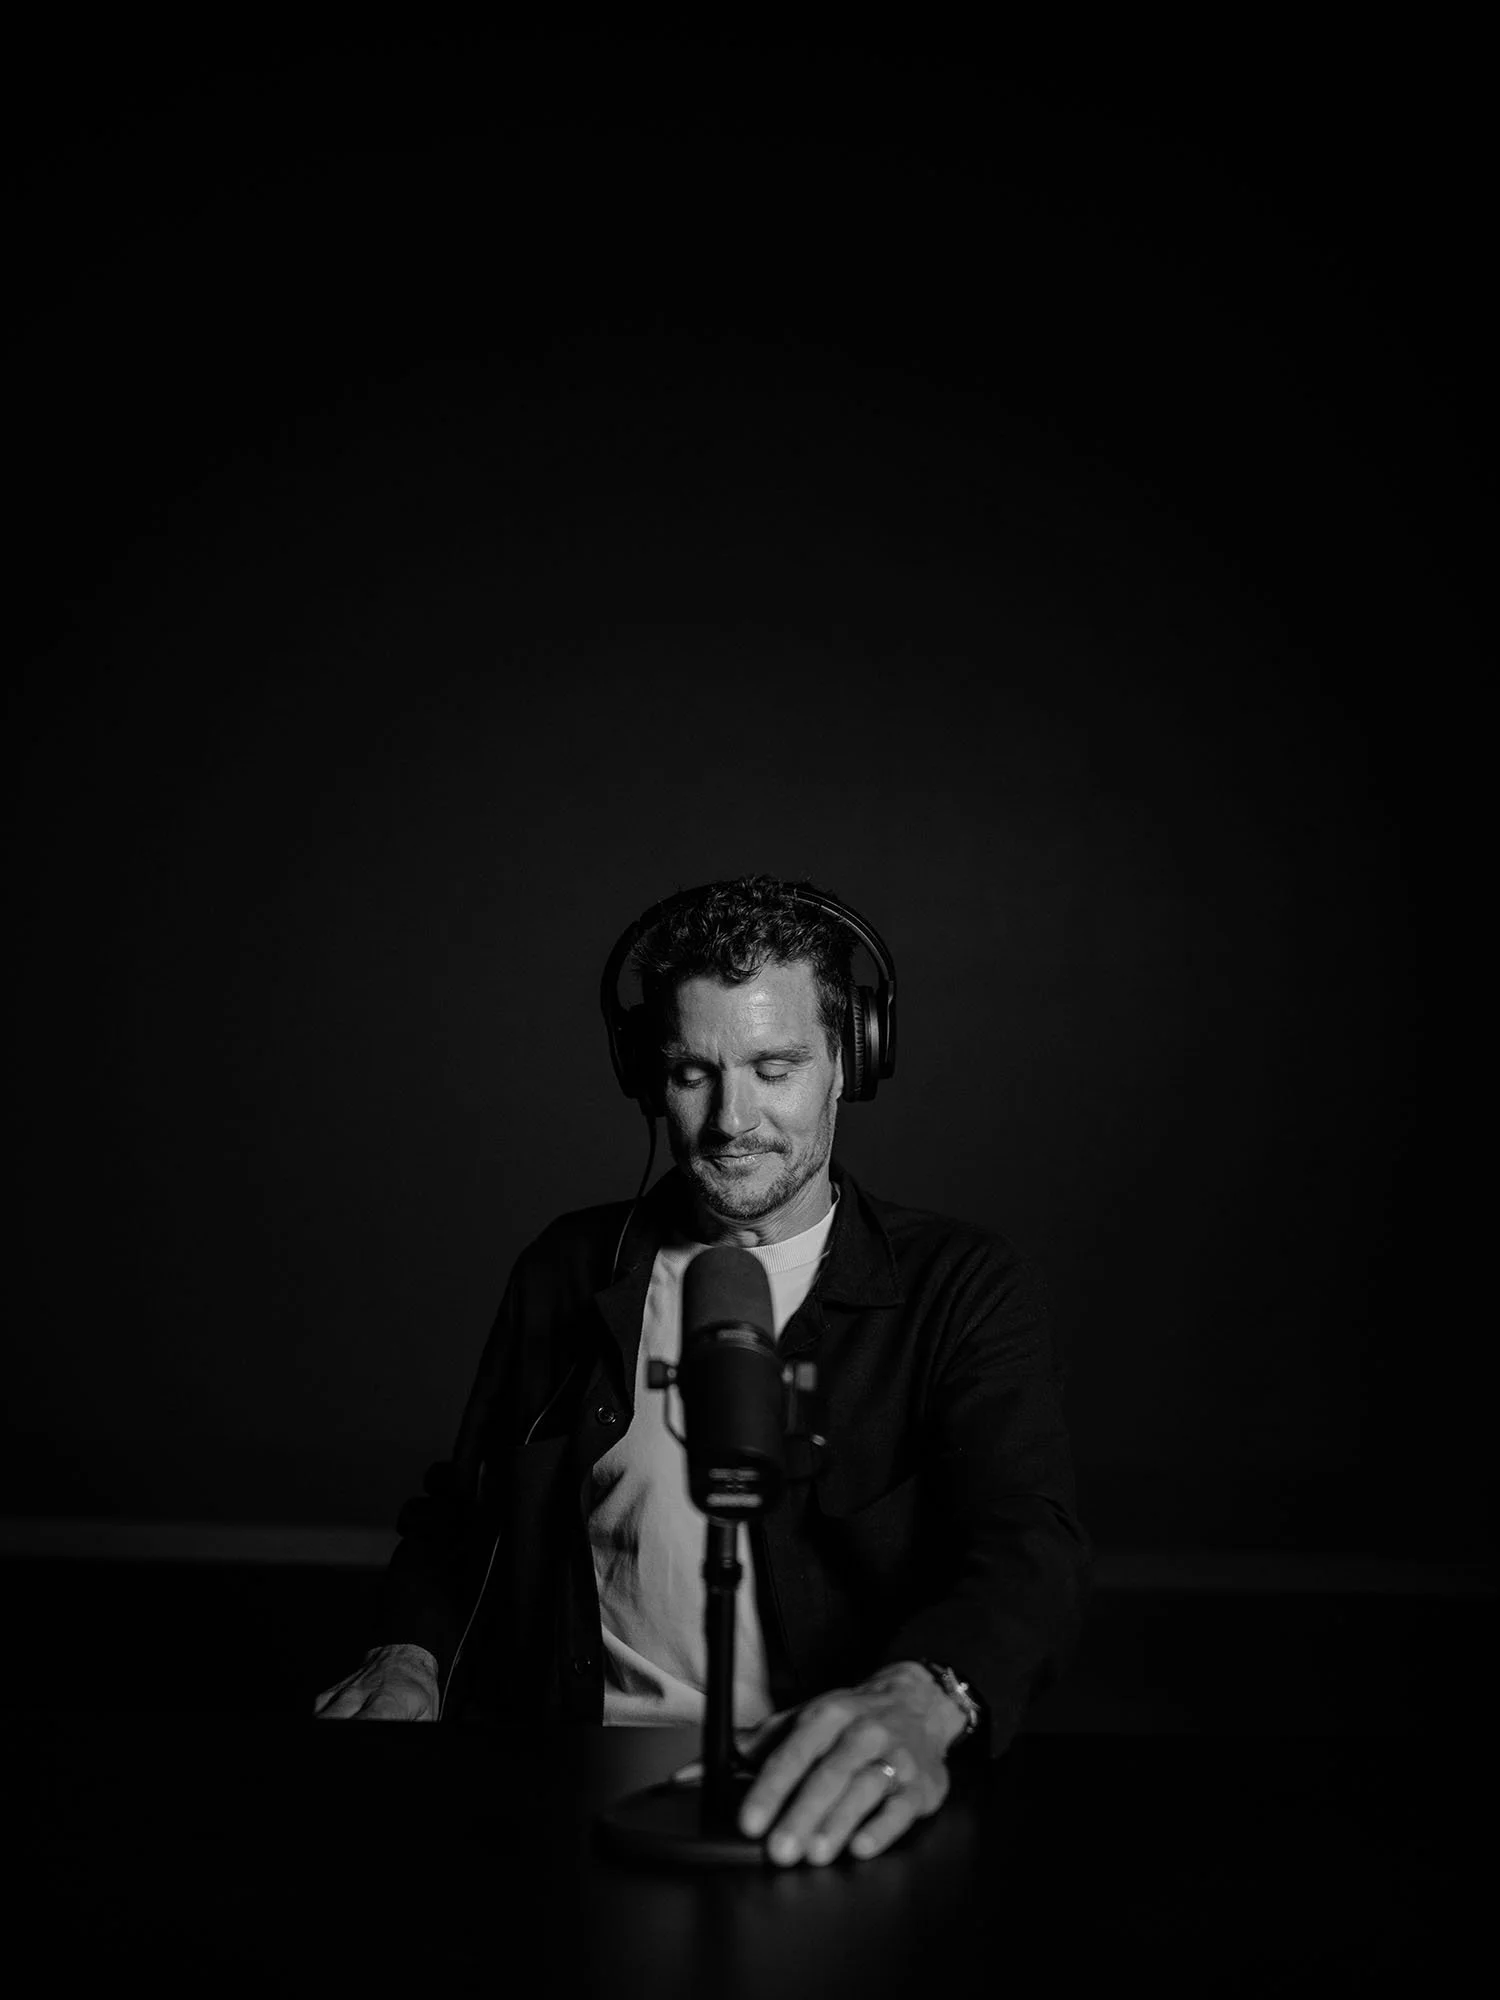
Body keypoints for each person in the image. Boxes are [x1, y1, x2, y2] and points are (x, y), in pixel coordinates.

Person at [314, 875, 1092, 1867]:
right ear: (649, 1079)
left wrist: (927, 1693)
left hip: (836, 1810)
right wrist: (407, 1654)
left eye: (775, 1067)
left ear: (850, 1062)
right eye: (693, 1072)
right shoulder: (567, 1267)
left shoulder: (963, 1285)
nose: (733, 1119)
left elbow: (1030, 1544)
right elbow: (464, 1517)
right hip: (577, 1791)